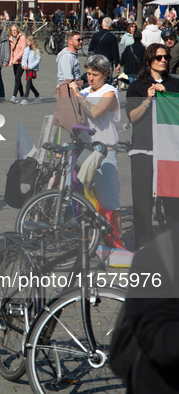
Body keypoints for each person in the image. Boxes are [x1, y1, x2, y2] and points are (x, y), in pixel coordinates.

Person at [126, 43, 179, 250]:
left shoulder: (175, 85)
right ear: (149, 61)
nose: (164, 60)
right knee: (142, 201)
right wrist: (148, 100)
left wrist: (168, 98)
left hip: (170, 152)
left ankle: (173, 247)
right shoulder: (137, 86)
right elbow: (132, 117)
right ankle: (143, 247)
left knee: (173, 202)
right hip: (143, 150)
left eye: (166, 57)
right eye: (159, 57)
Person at [68, 54, 122, 236]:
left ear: (106, 74)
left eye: (95, 74)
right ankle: (92, 240)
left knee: (109, 200)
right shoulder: (84, 92)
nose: (90, 78)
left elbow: (97, 111)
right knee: (85, 198)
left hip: (105, 152)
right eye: (88, 73)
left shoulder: (110, 92)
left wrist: (76, 94)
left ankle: (116, 240)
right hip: (84, 150)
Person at [20, 35, 42, 105]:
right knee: (30, 84)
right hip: (27, 68)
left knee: (28, 84)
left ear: (31, 41)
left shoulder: (36, 50)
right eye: (26, 41)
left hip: (32, 69)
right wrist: (24, 65)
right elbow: (23, 58)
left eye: (28, 41)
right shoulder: (26, 49)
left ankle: (25, 98)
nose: (27, 43)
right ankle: (38, 95)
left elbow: (38, 60)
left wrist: (31, 66)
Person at [8, 24, 27, 103]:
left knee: (17, 78)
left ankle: (14, 96)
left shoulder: (22, 37)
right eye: (12, 30)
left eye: (15, 30)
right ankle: (22, 96)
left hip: (22, 61)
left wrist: (16, 58)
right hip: (14, 62)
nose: (14, 32)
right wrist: (11, 60)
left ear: (18, 30)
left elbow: (24, 49)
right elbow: (11, 51)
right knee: (18, 79)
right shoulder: (10, 39)